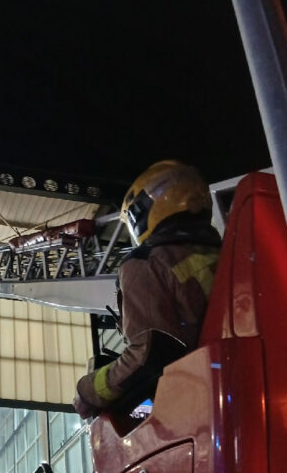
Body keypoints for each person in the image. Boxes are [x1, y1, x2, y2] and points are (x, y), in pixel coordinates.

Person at [74, 160, 222, 420]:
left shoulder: (145, 264)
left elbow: (148, 355)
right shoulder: (226, 254)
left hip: (198, 404)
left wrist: (87, 391)